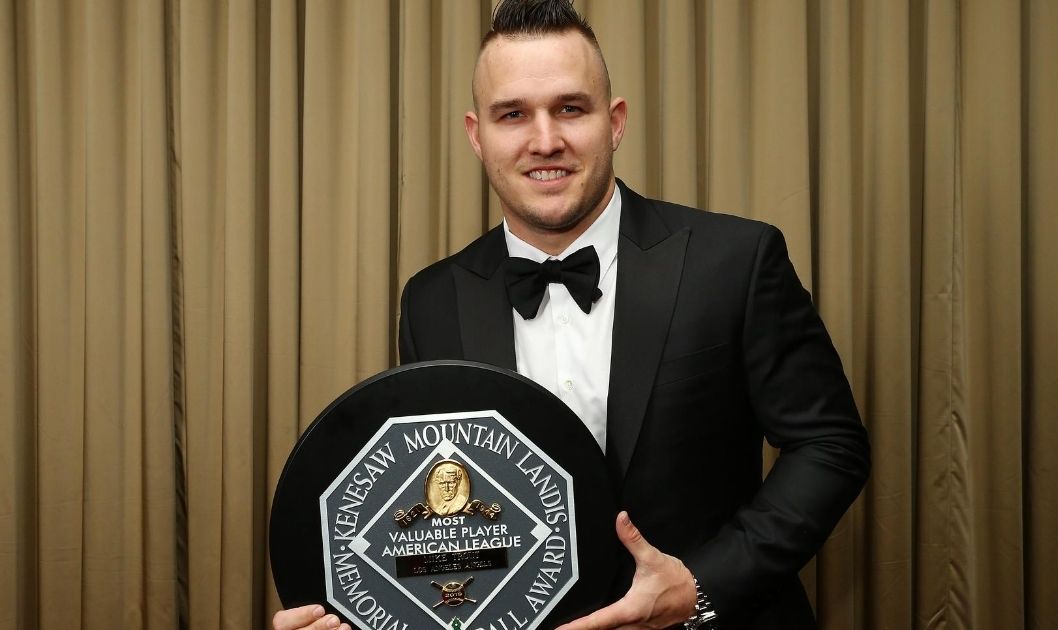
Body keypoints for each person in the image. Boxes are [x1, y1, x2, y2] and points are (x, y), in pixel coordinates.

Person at [274, 1, 869, 628]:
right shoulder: (431, 300)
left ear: (614, 122)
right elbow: (443, 506)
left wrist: (699, 587)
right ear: (477, 136)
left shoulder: (736, 260)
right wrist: (358, 611)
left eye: (569, 108)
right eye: (513, 115)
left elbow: (829, 445)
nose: (545, 140)